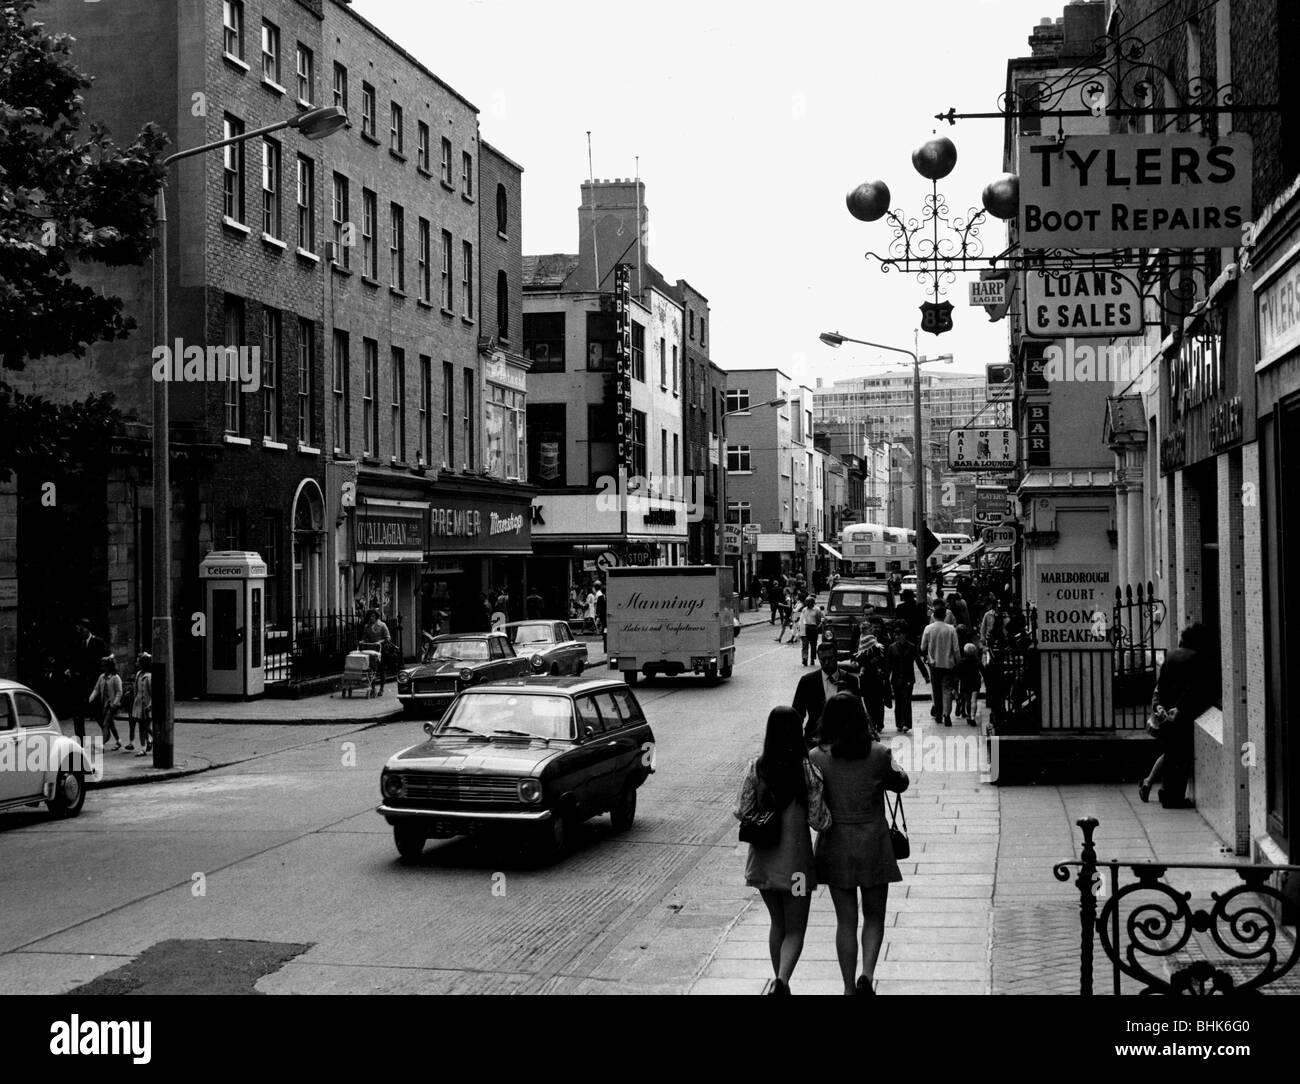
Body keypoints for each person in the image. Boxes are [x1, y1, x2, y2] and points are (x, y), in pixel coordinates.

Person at [809, 693, 909, 995]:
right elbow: (901, 782)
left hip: (835, 843)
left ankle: (847, 988)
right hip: (874, 843)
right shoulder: (878, 753)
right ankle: (867, 974)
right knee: (875, 915)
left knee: (846, 920)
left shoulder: (817, 756)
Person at [734, 706, 832, 995]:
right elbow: (818, 820)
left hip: (763, 864)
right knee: (796, 929)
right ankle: (783, 981)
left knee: (777, 923)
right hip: (798, 868)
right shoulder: (808, 771)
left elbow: (741, 811)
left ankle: (779, 980)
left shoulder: (757, 768)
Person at [1140, 623, 1213, 809]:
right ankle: (1172, 797)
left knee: (1171, 754)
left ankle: (1162, 791)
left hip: (1166, 713)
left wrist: (1160, 707)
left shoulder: (1171, 656)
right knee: (1178, 758)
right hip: (1182, 714)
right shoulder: (1197, 657)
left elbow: (1161, 685)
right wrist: (1179, 708)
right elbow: (1194, 689)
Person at [793, 640, 863, 747]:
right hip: (815, 738)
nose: (826, 662)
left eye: (830, 658)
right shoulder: (807, 681)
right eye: (823, 659)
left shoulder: (850, 681)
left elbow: (859, 713)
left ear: (836, 657)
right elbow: (797, 713)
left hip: (843, 740)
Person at [921, 600, 961, 727]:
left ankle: (938, 714)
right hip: (948, 664)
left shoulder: (928, 628)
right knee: (947, 690)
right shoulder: (951, 629)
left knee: (936, 689)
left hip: (934, 664)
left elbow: (922, 647)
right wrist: (958, 662)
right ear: (945, 616)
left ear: (934, 616)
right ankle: (947, 714)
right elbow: (956, 649)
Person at [68, 618, 108, 743]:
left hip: (93, 684)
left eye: (82, 628)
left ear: (87, 629)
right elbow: (73, 660)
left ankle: (106, 733)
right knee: (78, 713)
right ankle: (80, 739)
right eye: (78, 629)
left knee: (97, 712)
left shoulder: (98, 643)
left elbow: (103, 663)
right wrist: (71, 671)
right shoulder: (77, 643)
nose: (80, 631)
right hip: (79, 683)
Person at [885, 620, 928, 733]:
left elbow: (918, 662)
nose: (897, 637)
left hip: (908, 678)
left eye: (899, 634)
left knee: (906, 700)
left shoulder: (911, 647)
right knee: (898, 701)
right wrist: (886, 678)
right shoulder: (891, 648)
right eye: (896, 635)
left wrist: (926, 676)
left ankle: (907, 723)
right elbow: (888, 665)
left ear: (904, 635)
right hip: (896, 679)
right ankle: (899, 723)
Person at [852, 623, 890, 735]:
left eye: (865, 629)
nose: (863, 631)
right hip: (866, 676)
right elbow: (856, 656)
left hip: (876, 675)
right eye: (862, 629)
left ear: (871, 629)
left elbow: (883, 656)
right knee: (868, 701)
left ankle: (879, 723)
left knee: (878, 700)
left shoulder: (876, 642)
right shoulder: (860, 642)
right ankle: (873, 723)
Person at [90, 655, 123, 751]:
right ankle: (118, 740)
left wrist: (115, 703)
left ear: (109, 666)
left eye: (104, 665)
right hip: (104, 704)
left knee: (105, 723)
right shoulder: (102, 677)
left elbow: (119, 692)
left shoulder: (115, 677)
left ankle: (102, 744)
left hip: (112, 704)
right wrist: (90, 698)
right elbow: (96, 689)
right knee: (110, 724)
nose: (102, 667)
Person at [130, 652, 153, 756]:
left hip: (147, 705)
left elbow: (153, 693)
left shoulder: (149, 676)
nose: (137, 663)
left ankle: (154, 739)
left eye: (139, 662)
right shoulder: (139, 674)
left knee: (146, 726)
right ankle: (143, 747)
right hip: (138, 704)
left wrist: (150, 705)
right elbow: (136, 689)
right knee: (141, 726)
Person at [956, 641, 982, 725]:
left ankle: (968, 715)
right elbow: (984, 671)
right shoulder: (977, 661)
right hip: (975, 682)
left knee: (968, 700)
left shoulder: (962, 661)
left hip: (965, 683)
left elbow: (956, 672)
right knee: (974, 700)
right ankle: (972, 717)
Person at [799, 595, 825, 666]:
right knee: (805, 644)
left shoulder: (817, 610)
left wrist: (818, 626)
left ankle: (812, 659)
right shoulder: (804, 610)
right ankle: (805, 658)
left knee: (813, 645)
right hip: (806, 627)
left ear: (813, 603)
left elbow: (822, 619)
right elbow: (801, 620)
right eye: (807, 604)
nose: (808, 606)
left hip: (814, 628)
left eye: (809, 604)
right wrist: (800, 628)